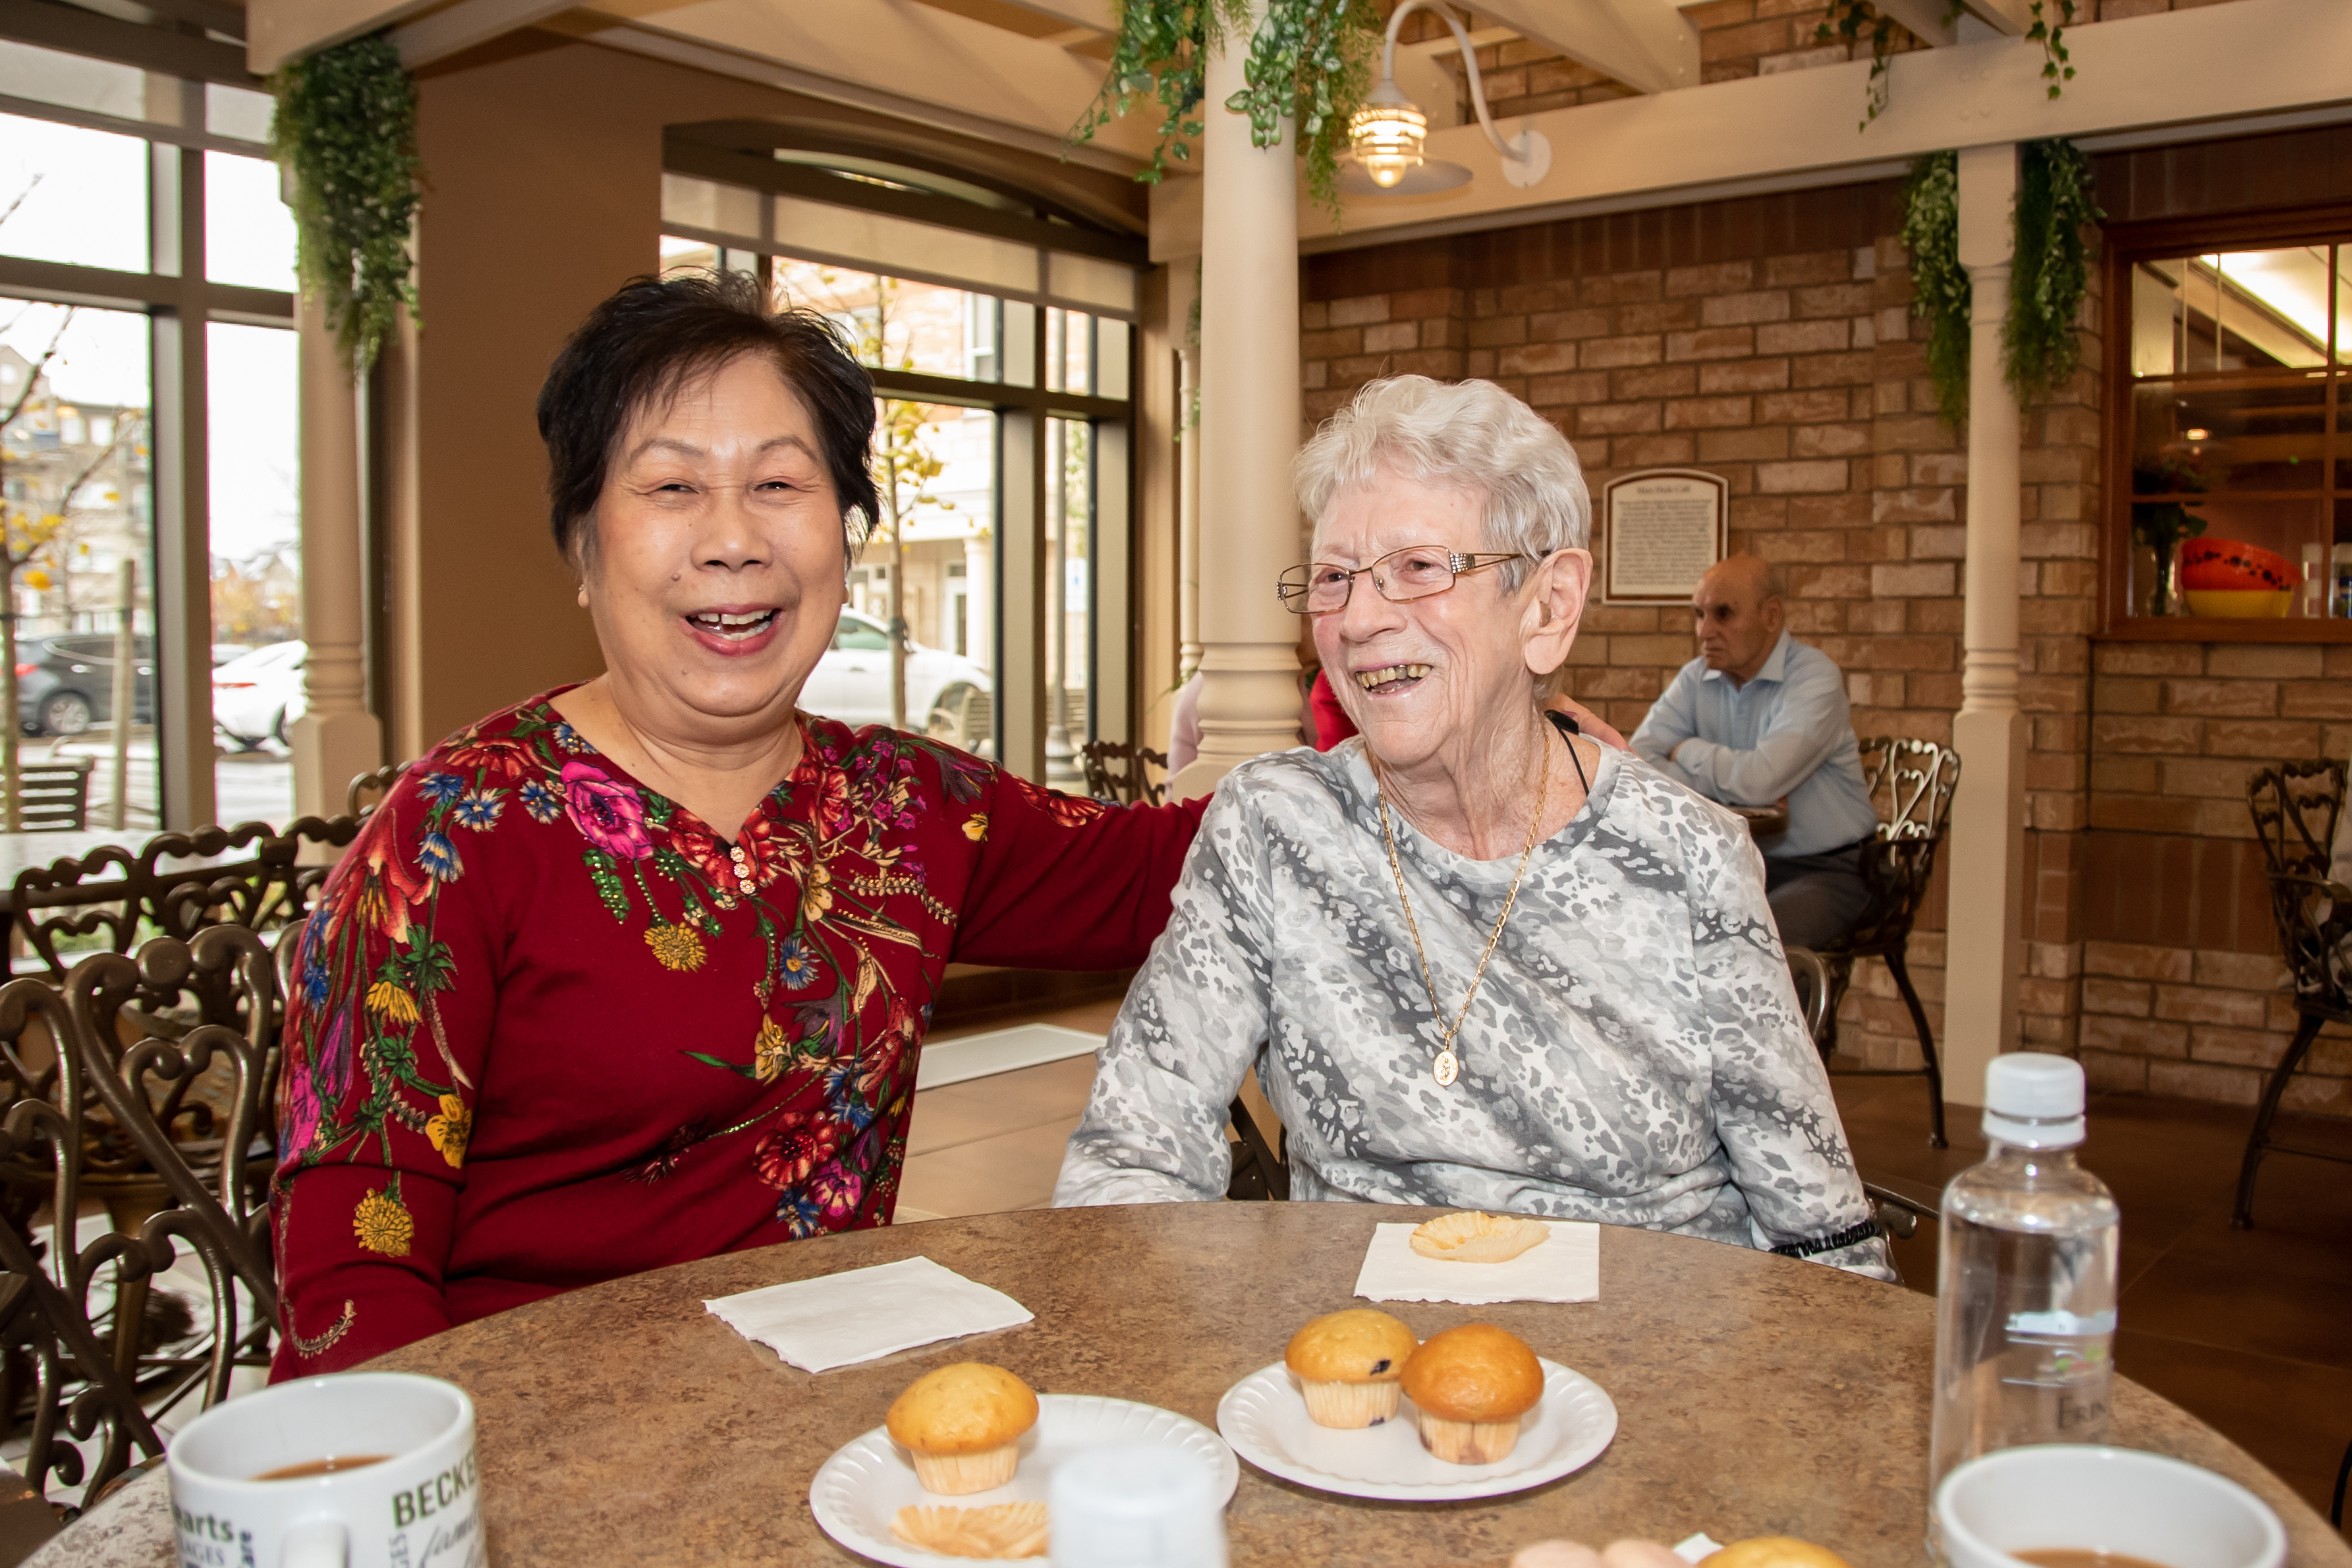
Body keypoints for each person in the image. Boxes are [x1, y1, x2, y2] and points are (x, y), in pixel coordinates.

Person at [271, 273, 1206, 1376]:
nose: (732, 540)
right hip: (519, 1449)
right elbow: (349, 1277)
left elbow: (1187, 868)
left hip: (815, 1434)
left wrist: (1420, 703)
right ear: (581, 546)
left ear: (846, 535)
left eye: (779, 483)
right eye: (671, 486)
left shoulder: (908, 813)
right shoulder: (450, 837)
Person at [1054, 376, 1890, 1280]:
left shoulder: (1686, 855)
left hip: (1656, 1363)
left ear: (1547, 608)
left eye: (1418, 567)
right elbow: (1133, 1147)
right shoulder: (1273, 827)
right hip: (1364, 1374)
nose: (1359, 619)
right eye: (1333, 577)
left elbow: (1822, 1233)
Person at [1629, 555, 1880, 951]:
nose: (1705, 631)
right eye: (1700, 614)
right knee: (1649, 929)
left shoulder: (1815, 679)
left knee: (1752, 947)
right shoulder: (1696, 679)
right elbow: (1637, 764)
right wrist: (1730, 786)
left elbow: (1762, 782)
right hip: (1734, 867)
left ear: (1772, 615)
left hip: (1829, 869)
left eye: (1723, 614)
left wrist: (1686, 750)